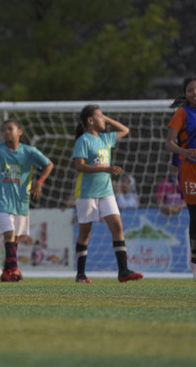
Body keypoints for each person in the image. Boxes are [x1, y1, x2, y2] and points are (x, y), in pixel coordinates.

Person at [72, 104, 143, 284]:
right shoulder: (83, 140)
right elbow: (79, 165)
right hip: (87, 192)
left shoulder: (106, 138)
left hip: (106, 191)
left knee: (117, 226)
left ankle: (123, 271)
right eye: (100, 116)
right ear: (90, 121)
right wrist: (106, 168)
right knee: (85, 231)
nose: (104, 120)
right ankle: (81, 274)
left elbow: (124, 130)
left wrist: (106, 118)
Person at [0, 118, 54, 282]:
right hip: (2, 199)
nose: (6, 132)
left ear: (20, 132)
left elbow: (49, 165)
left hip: (21, 200)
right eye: (4, 130)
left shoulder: (29, 151)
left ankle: (6, 272)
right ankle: (15, 269)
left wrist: (39, 182)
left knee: (16, 238)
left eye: (10, 129)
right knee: (9, 234)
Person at [166, 75, 196, 284]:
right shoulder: (182, 113)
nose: (195, 93)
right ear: (186, 94)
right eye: (190, 90)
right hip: (190, 169)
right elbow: (168, 143)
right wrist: (185, 151)